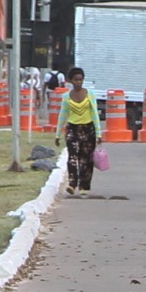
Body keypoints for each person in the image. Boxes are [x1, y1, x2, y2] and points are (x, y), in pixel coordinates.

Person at [56, 67, 101, 197]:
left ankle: (84, 186)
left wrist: (98, 133)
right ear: (70, 81)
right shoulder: (66, 97)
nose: (78, 82)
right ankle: (72, 183)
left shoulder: (90, 95)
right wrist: (58, 134)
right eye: (76, 80)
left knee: (86, 159)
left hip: (88, 129)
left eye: (81, 80)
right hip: (72, 129)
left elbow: (94, 114)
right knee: (72, 157)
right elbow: (63, 115)